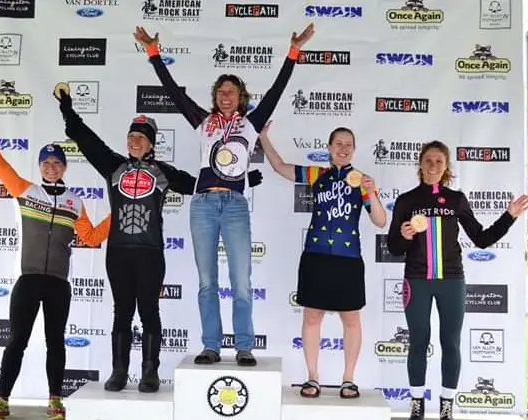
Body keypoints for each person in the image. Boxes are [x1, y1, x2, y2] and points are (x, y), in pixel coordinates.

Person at [133, 23, 315, 367]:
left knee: (241, 281)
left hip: (234, 205)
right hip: (202, 204)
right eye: (221, 91)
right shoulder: (203, 121)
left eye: (232, 91)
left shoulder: (251, 122)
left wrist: (292, 53)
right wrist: (154, 53)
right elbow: (174, 93)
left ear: (241, 97)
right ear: (215, 98)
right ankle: (211, 346)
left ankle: (244, 346)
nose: (226, 95)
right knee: (206, 282)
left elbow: (277, 91)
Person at [0, 111, 111, 420]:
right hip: (29, 280)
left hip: (58, 283)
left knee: (56, 344)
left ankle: (55, 401)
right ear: (40, 167)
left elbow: (91, 235)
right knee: (16, 342)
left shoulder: (74, 201)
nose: (51, 167)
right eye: (46, 163)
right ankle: (2, 400)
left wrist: (121, 211)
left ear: (65, 167)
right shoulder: (25, 190)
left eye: (57, 163)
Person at [54, 89, 199, 393]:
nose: (134, 141)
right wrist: (68, 110)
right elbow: (86, 139)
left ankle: (150, 373)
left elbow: (202, 184)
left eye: (141, 138)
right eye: (131, 136)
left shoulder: (163, 172)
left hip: (150, 252)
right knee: (122, 310)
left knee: (149, 311)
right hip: (118, 251)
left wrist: (239, 179)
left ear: (151, 144)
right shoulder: (113, 165)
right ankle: (119, 371)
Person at [386, 140, 528, 420]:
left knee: (450, 342)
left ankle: (446, 405)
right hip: (417, 280)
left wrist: (509, 216)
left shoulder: (456, 200)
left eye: (439, 161)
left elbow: (482, 239)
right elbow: (393, 248)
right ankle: (417, 404)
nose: (433, 166)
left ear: (446, 166)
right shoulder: (406, 200)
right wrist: (403, 236)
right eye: (428, 161)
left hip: (451, 281)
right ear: (420, 164)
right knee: (418, 341)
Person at [258, 121, 387, 398]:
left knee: (351, 320)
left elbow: (380, 220)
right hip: (316, 256)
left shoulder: (361, 181)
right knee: (312, 316)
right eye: (338, 144)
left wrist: (372, 192)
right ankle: (313, 377)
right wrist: (263, 137)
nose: (343, 149)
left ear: (354, 150)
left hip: (348, 258)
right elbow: (280, 167)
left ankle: (348, 379)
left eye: (348, 145)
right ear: (329, 148)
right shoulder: (317, 174)